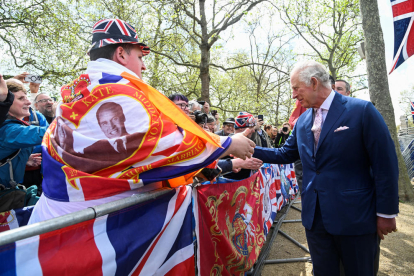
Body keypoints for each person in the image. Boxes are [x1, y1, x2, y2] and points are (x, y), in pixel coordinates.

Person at [29, 18, 255, 223]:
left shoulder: (75, 91)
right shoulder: (120, 93)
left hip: (55, 213)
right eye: (139, 57)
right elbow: (161, 143)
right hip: (98, 223)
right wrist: (227, 144)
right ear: (121, 54)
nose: (144, 66)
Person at [253, 61, 399, 276]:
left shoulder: (362, 110)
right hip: (315, 220)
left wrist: (386, 213)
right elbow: (285, 154)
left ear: (313, 82)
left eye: (295, 88)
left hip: (355, 217)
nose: (293, 95)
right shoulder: (302, 121)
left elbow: (384, 164)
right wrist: (246, 148)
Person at [0, 79, 48, 210]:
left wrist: (22, 158)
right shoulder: (8, 129)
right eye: (21, 98)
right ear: (7, 102)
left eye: (27, 97)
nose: (28, 102)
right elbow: (44, 133)